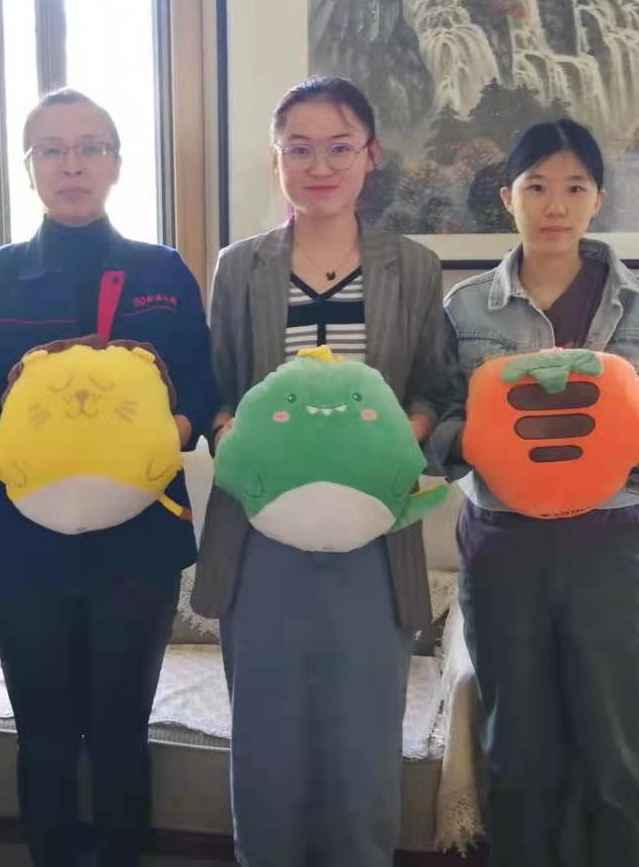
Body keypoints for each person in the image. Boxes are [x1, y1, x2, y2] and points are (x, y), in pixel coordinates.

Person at [191, 76, 463, 867]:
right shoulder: (240, 268)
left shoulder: (412, 268)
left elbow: (440, 389)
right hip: (259, 541)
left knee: (363, 752)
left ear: (370, 156)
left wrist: (402, 435)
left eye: (339, 147)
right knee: (266, 749)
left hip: (376, 539)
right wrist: (227, 430)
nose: (319, 166)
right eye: (299, 149)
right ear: (276, 160)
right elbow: (215, 387)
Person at [435, 118, 639, 867]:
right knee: (516, 749)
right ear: (507, 197)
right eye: (536, 187)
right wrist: (468, 439)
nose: (554, 205)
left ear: (598, 200)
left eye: (574, 188)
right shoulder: (465, 309)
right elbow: (436, 424)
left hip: (611, 546)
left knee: (618, 750)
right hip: (503, 547)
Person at [0, 88, 216, 867]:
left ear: (117, 164)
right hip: (22, 549)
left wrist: (166, 435)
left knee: (121, 734)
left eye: (90, 147)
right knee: (42, 739)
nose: (72, 164)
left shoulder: (162, 271)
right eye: (53, 149)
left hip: (138, 547)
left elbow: (201, 387)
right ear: (29, 167)